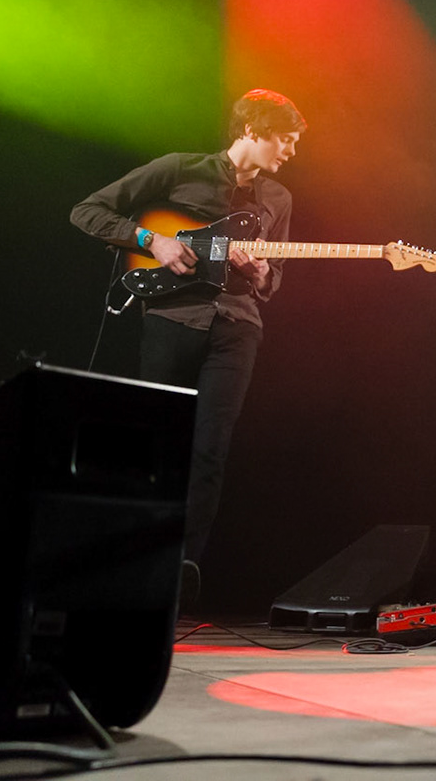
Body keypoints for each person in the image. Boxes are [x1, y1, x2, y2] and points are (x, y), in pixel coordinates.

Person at [70, 88, 306, 603]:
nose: (290, 151)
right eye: (285, 139)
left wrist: (261, 272)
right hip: (173, 318)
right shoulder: (180, 168)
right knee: (154, 443)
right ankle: (131, 563)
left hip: (238, 326)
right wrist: (151, 240)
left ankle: (180, 574)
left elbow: (274, 279)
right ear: (253, 130)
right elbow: (87, 211)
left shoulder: (278, 199)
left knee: (210, 450)